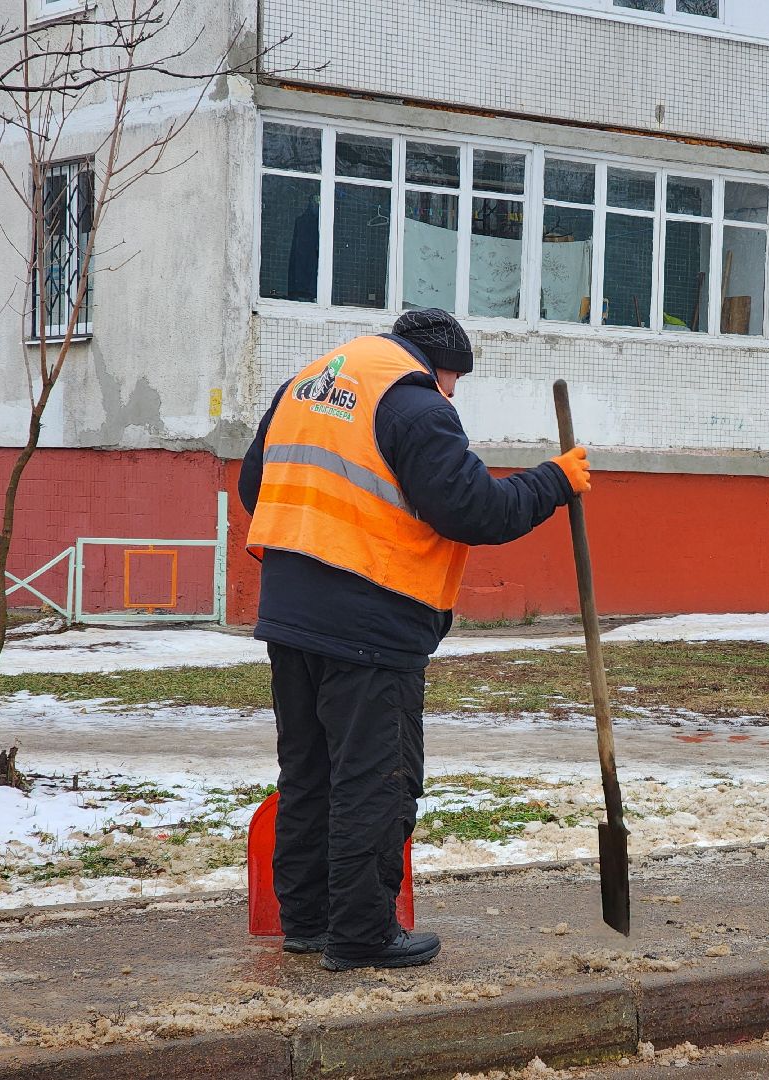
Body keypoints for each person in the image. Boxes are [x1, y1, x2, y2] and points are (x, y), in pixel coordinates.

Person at [238, 308, 590, 972]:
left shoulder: (306, 385)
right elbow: (474, 508)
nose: (451, 398)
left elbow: (254, 488)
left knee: (309, 774)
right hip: (369, 625)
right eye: (454, 384)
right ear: (439, 366)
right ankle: (362, 933)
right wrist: (556, 481)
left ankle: (308, 921)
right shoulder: (413, 403)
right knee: (375, 778)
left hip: (289, 617)